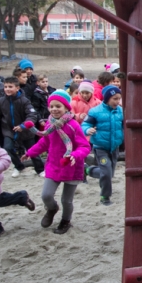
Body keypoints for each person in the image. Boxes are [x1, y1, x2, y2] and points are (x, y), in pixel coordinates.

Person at [23, 91, 91, 234]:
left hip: (71, 166)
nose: (54, 109)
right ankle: (52, 209)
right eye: (51, 106)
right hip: (54, 165)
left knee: (67, 200)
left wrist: (75, 155)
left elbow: (84, 146)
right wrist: (30, 152)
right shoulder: (50, 124)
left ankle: (65, 221)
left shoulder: (73, 125)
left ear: (66, 108)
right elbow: (44, 142)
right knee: (46, 195)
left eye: (58, 106)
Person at [0, 76, 44, 178]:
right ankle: (19, 166)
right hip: (9, 131)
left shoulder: (25, 101)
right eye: (6, 86)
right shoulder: (0, 101)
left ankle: (40, 169)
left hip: (25, 131)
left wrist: (23, 125)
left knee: (32, 151)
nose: (7, 89)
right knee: (7, 148)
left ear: (17, 88)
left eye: (10, 86)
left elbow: (32, 115)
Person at [82, 86, 124, 206]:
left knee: (109, 174)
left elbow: (125, 125)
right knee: (106, 173)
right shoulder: (95, 112)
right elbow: (85, 124)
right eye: (114, 99)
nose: (117, 102)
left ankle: (87, 170)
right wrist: (88, 129)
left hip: (114, 146)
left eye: (119, 99)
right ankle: (105, 196)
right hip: (100, 146)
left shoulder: (120, 111)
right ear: (106, 98)